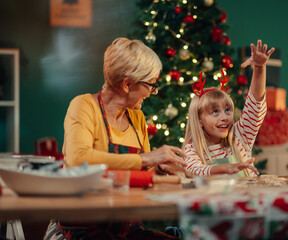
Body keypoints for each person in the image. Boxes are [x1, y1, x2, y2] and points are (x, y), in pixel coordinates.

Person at [44, 37, 187, 240]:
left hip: (126, 227)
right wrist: (147, 159)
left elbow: (142, 173)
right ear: (127, 84)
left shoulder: (137, 118)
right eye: (151, 85)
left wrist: (161, 169)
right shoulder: (84, 105)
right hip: (78, 227)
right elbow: (78, 158)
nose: (153, 92)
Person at [183, 40, 275, 177]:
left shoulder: (240, 136)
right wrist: (227, 168)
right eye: (215, 111)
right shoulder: (192, 149)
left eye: (227, 110)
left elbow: (255, 107)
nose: (224, 117)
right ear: (199, 119)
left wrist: (260, 68)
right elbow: (195, 169)